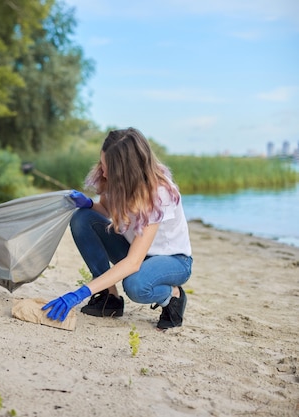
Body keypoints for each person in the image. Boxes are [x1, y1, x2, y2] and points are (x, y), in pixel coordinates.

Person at [42, 128, 193, 331]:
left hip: (173, 261)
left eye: (107, 168)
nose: (103, 172)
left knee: (136, 285)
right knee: (82, 218)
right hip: (134, 250)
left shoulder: (159, 193)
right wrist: (87, 203)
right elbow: (105, 211)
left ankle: (173, 296)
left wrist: (79, 294)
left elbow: (133, 262)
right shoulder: (116, 182)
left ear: (125, 170)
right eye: (102, 164)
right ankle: (109, 297)